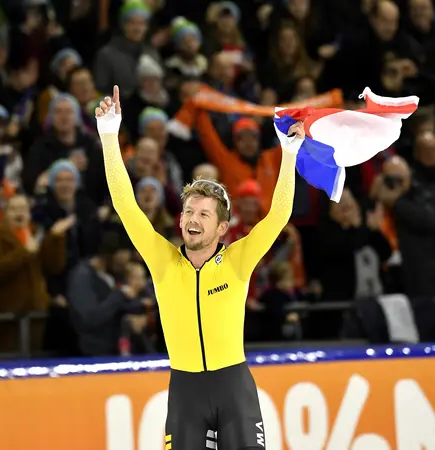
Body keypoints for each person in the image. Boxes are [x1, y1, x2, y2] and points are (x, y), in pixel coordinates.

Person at [95, 85, 302, 450]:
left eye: (204, 214)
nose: (193, 218)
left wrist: (288, 153)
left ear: (222, 228)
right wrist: (109, 136)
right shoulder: (163, 262)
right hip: (186, 394)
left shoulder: (237, 261)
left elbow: (279, 215)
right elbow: (126, 206)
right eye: (188, 211)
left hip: (234, 390)